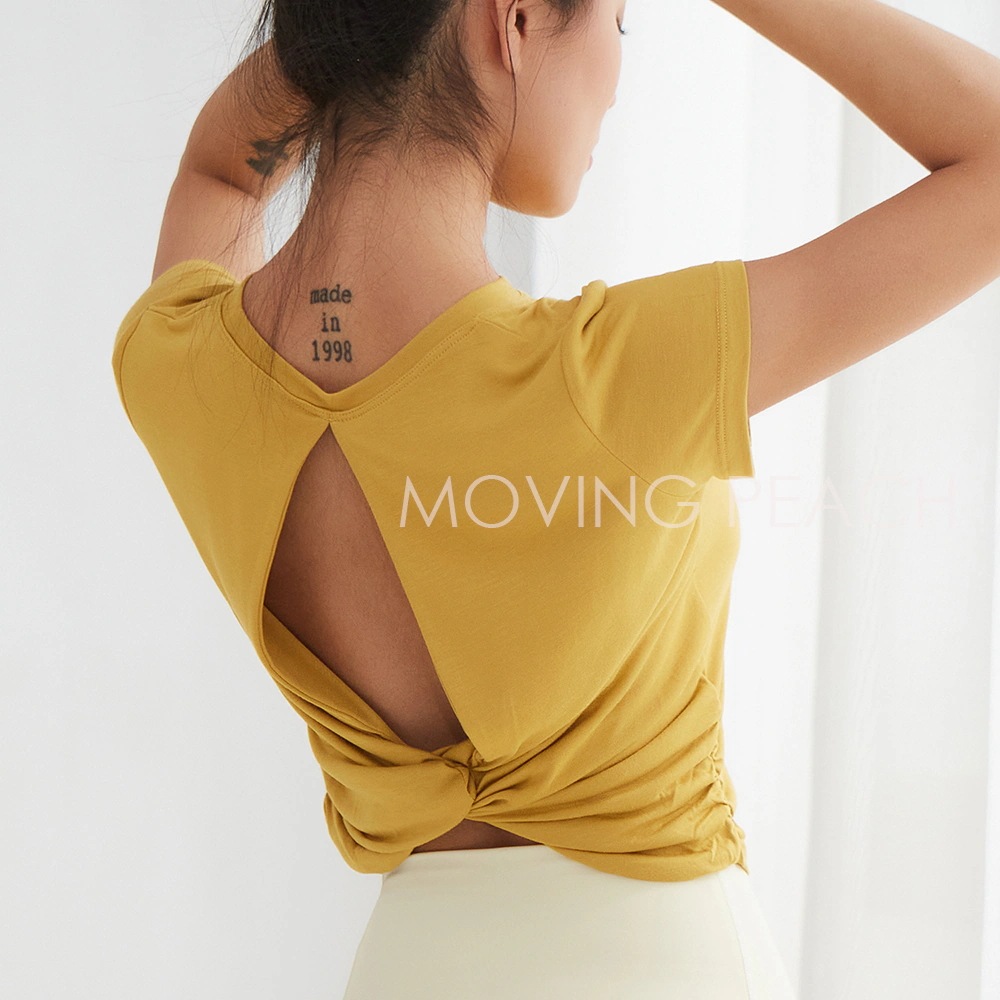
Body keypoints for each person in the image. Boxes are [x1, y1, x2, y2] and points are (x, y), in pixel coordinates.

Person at [110, 0, 1000, 996]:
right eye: (620, 20)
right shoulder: (611, 376)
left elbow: (222, 172)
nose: (617, 76)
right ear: (519, 20)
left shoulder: (176, 364)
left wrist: (361, 31)